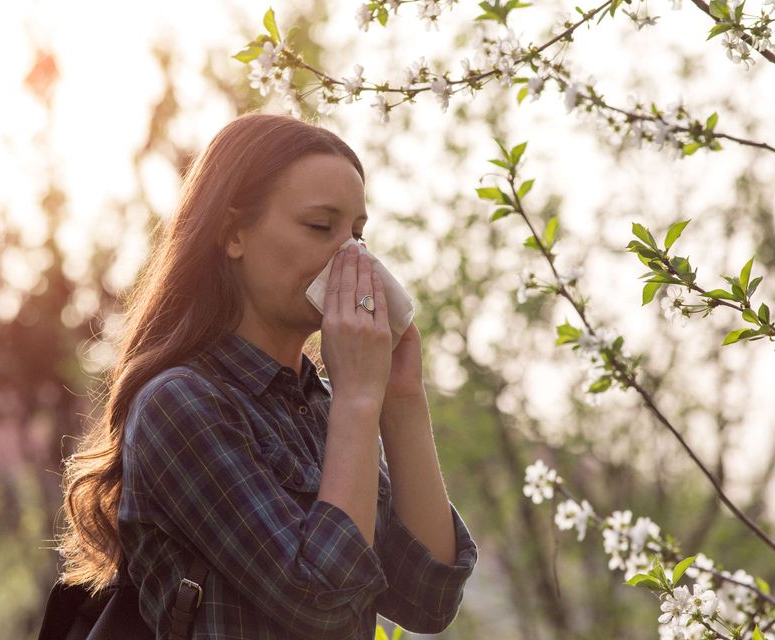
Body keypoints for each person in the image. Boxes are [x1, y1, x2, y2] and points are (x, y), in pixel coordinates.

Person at [54, 112, 478, 639]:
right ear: (234, 234)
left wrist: (402, 399)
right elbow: (319, 600)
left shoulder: (325, 408)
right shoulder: (181, 404)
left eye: (359, 233)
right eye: (322, 226)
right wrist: (357, 404)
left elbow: (429, 599)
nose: (353, 257)